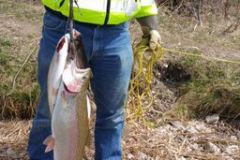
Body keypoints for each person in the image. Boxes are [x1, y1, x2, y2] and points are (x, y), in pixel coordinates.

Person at [27, 0, 161, 159]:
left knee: (112, 116)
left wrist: (150, 24)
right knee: (50, 110)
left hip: (116, 34)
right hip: (63, 24)